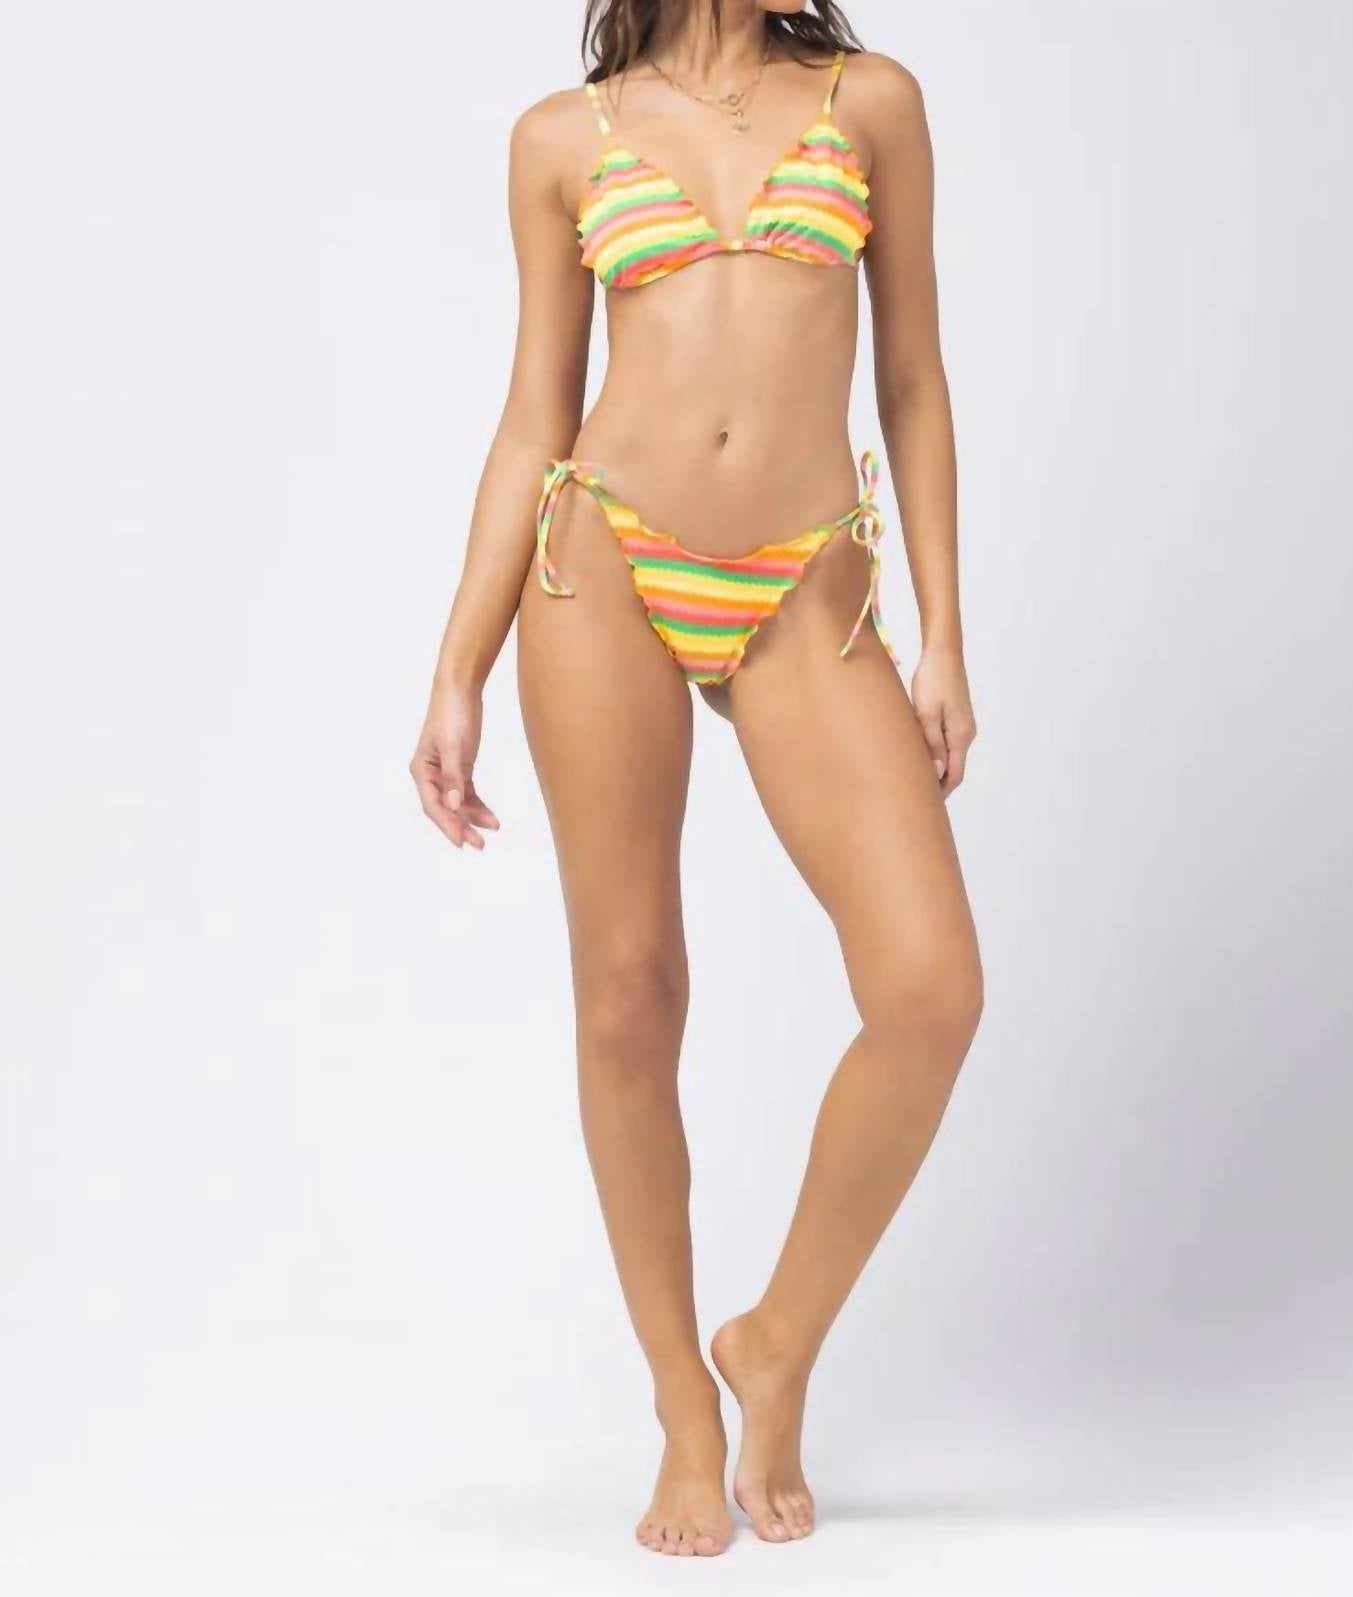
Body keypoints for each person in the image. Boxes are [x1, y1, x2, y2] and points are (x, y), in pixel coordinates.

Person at [410, 0, 982, 1558]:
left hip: (806, 580)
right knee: (628, 990)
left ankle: (772, 1343)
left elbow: (913, 379)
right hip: (602, 560)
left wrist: (941, 632)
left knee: (930, 986)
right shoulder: (562, 138)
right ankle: (681, 1399)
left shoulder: (872, 101)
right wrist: (457, 665)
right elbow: (533, 418)